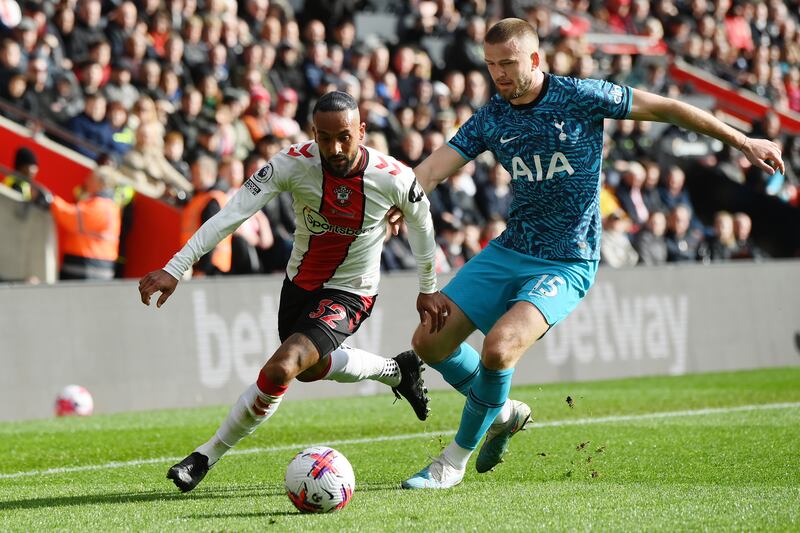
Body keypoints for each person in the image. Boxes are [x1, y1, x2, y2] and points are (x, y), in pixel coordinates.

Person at [387, 18, 783, 489]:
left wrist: (743, 141)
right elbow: (432, 168)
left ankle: (451, 462)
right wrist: (403, 199)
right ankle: (503, 410)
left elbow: (671, 108)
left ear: (535, 59)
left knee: (499, 349)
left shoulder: (581, 95)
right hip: (511, 247)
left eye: (508, 64)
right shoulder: (493, 116)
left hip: (568, 260)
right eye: (491, 65)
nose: (499, 75)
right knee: (428, 344)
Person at [138, 91, 450, 493]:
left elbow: (423, 227)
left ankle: (204, 456)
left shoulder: (392, 177)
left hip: (352, 291)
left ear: (362, 131)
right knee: (311, 368)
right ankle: (397, 371)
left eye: (345, 137)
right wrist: (176, 267)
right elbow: (233, 213)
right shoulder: (291, 164)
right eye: (324, 137)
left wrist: (428, 288)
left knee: (282, 367)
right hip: (300, 284)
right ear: (313, 133)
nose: (335, 148)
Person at [42, 166, 122, 280]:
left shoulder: (99, 205)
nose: (86, 181)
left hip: (85, 266)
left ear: (100, 183)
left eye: (91, 178)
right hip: (98, 267)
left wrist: (51, 201)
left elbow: (72, 218)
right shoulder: (112, 206)